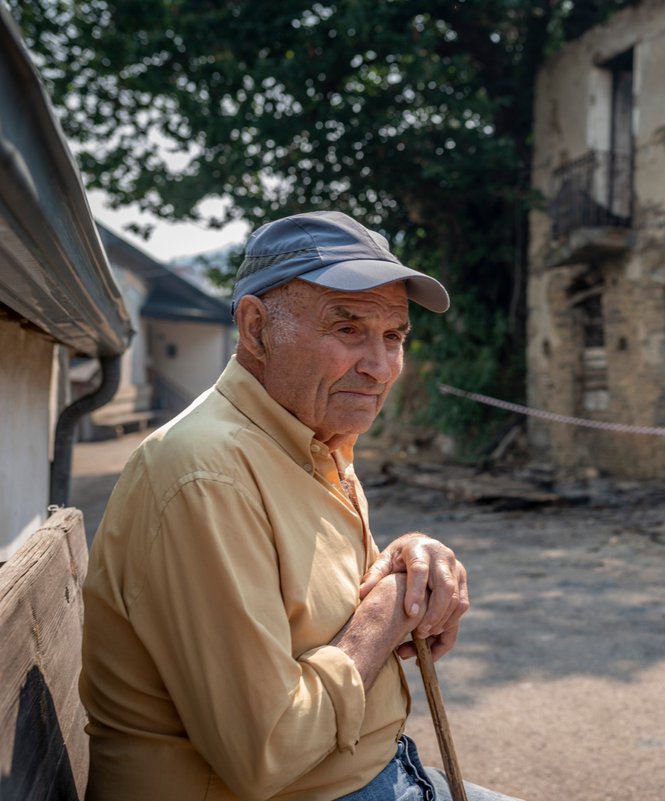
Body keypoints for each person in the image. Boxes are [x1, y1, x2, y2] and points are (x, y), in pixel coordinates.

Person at [81, 211, 522, 801]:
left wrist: (410, 556)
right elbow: (267, 751)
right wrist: (391, 608)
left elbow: (322, 603)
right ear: (257, 329)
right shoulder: (205, 474)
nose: (380, 366)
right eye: (347, 329)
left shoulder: (310, 438)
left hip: (370, 773)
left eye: (394, 337)